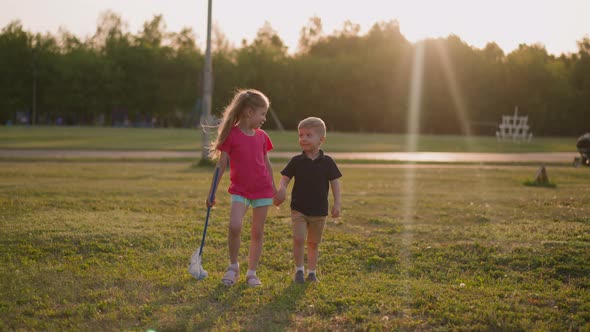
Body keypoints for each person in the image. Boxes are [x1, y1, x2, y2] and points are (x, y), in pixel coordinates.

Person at [206, 89, 276, 287]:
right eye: (262, 113)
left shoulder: (262, 137)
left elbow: (267, 164)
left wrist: (274, 187)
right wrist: (211, 193)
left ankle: (252, 273)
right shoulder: (232, 136)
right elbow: (221, 166)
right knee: (234, 225)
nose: (264, 118)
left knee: (257, 232)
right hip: (240, 190)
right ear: (249, 112)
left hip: (262, 190)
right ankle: (233, 267)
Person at [274, 117, 342, 283]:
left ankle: (311, 273)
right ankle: (299, 271)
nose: (303, 139)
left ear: (321, 139)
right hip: (299, 208)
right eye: (301, 135)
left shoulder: (328, 162)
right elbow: (285, 178)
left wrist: (337, 203)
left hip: (319, 210)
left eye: (308, 135)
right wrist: (281, 189)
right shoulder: (296, 161)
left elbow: (335, 183)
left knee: (313, 243)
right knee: (298, 239)